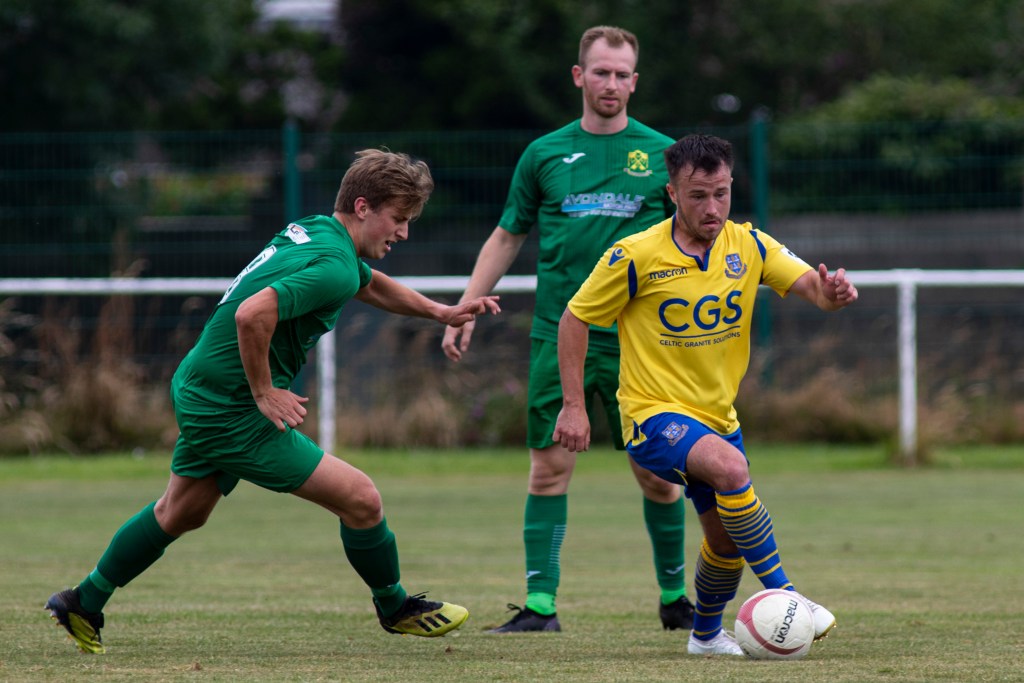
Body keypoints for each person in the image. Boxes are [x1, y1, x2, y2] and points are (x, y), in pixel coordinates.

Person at [45, 149, 501, 654]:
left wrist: (441, 312)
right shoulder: (334, 265)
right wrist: (264, 390)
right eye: (399, 219)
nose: (404, 233)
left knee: (182, 511)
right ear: (365, 206)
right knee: (362, 498)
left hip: (201, 388)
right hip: (231, 407)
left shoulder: (320, 233)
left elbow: (366, 284)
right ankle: (395, 607)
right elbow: (252, 314)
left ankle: (83, 601)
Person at [553, 133, 857, 655]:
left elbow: (811, 287)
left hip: (717, 418)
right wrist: (576, 406)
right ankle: (787, 593)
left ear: (732, 185)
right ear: (672, 192)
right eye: (697, 196)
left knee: (725, 543)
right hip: (652, 417)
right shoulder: (635, 254)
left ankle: (705, 637)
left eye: (721, 193)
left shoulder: (751, 245)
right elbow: (575, 318)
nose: (712, 207)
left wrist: (830, 296)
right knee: (733, 472)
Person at [442, 26, 694, 633]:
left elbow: (695, 239)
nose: (612, 83)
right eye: (601, 72)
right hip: (561, 334)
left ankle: (674, 599)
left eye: (622, 73)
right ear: (579, 76)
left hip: (642, 341)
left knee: (659, 476)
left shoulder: (664, 154)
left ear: (636, 81)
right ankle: (540, 607)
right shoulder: (544, 154)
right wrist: (465, 306)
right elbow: (508, 235)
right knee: (549, 468)